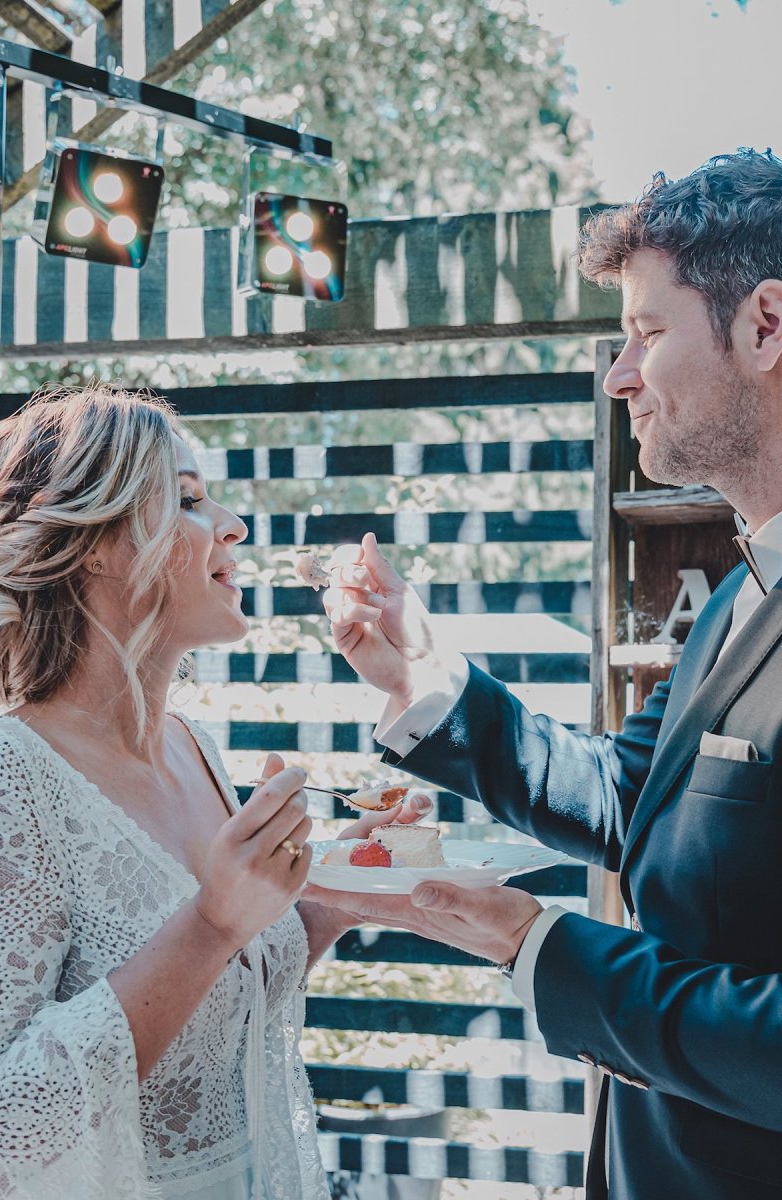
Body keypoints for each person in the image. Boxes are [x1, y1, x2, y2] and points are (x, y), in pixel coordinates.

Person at [307, 149, 782, 1200]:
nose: (618, 376)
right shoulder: (736, 593)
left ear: (765, 325)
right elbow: (629, 796)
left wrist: (540, 948)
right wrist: (423, 678)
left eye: (646, 334)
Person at [0, 383, 431, 1200]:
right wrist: (212, 922)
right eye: (188, 500)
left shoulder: (195, 747)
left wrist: (331, 897)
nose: (234, 525)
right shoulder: (5, 779)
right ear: (94, 545)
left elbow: (225, 999)